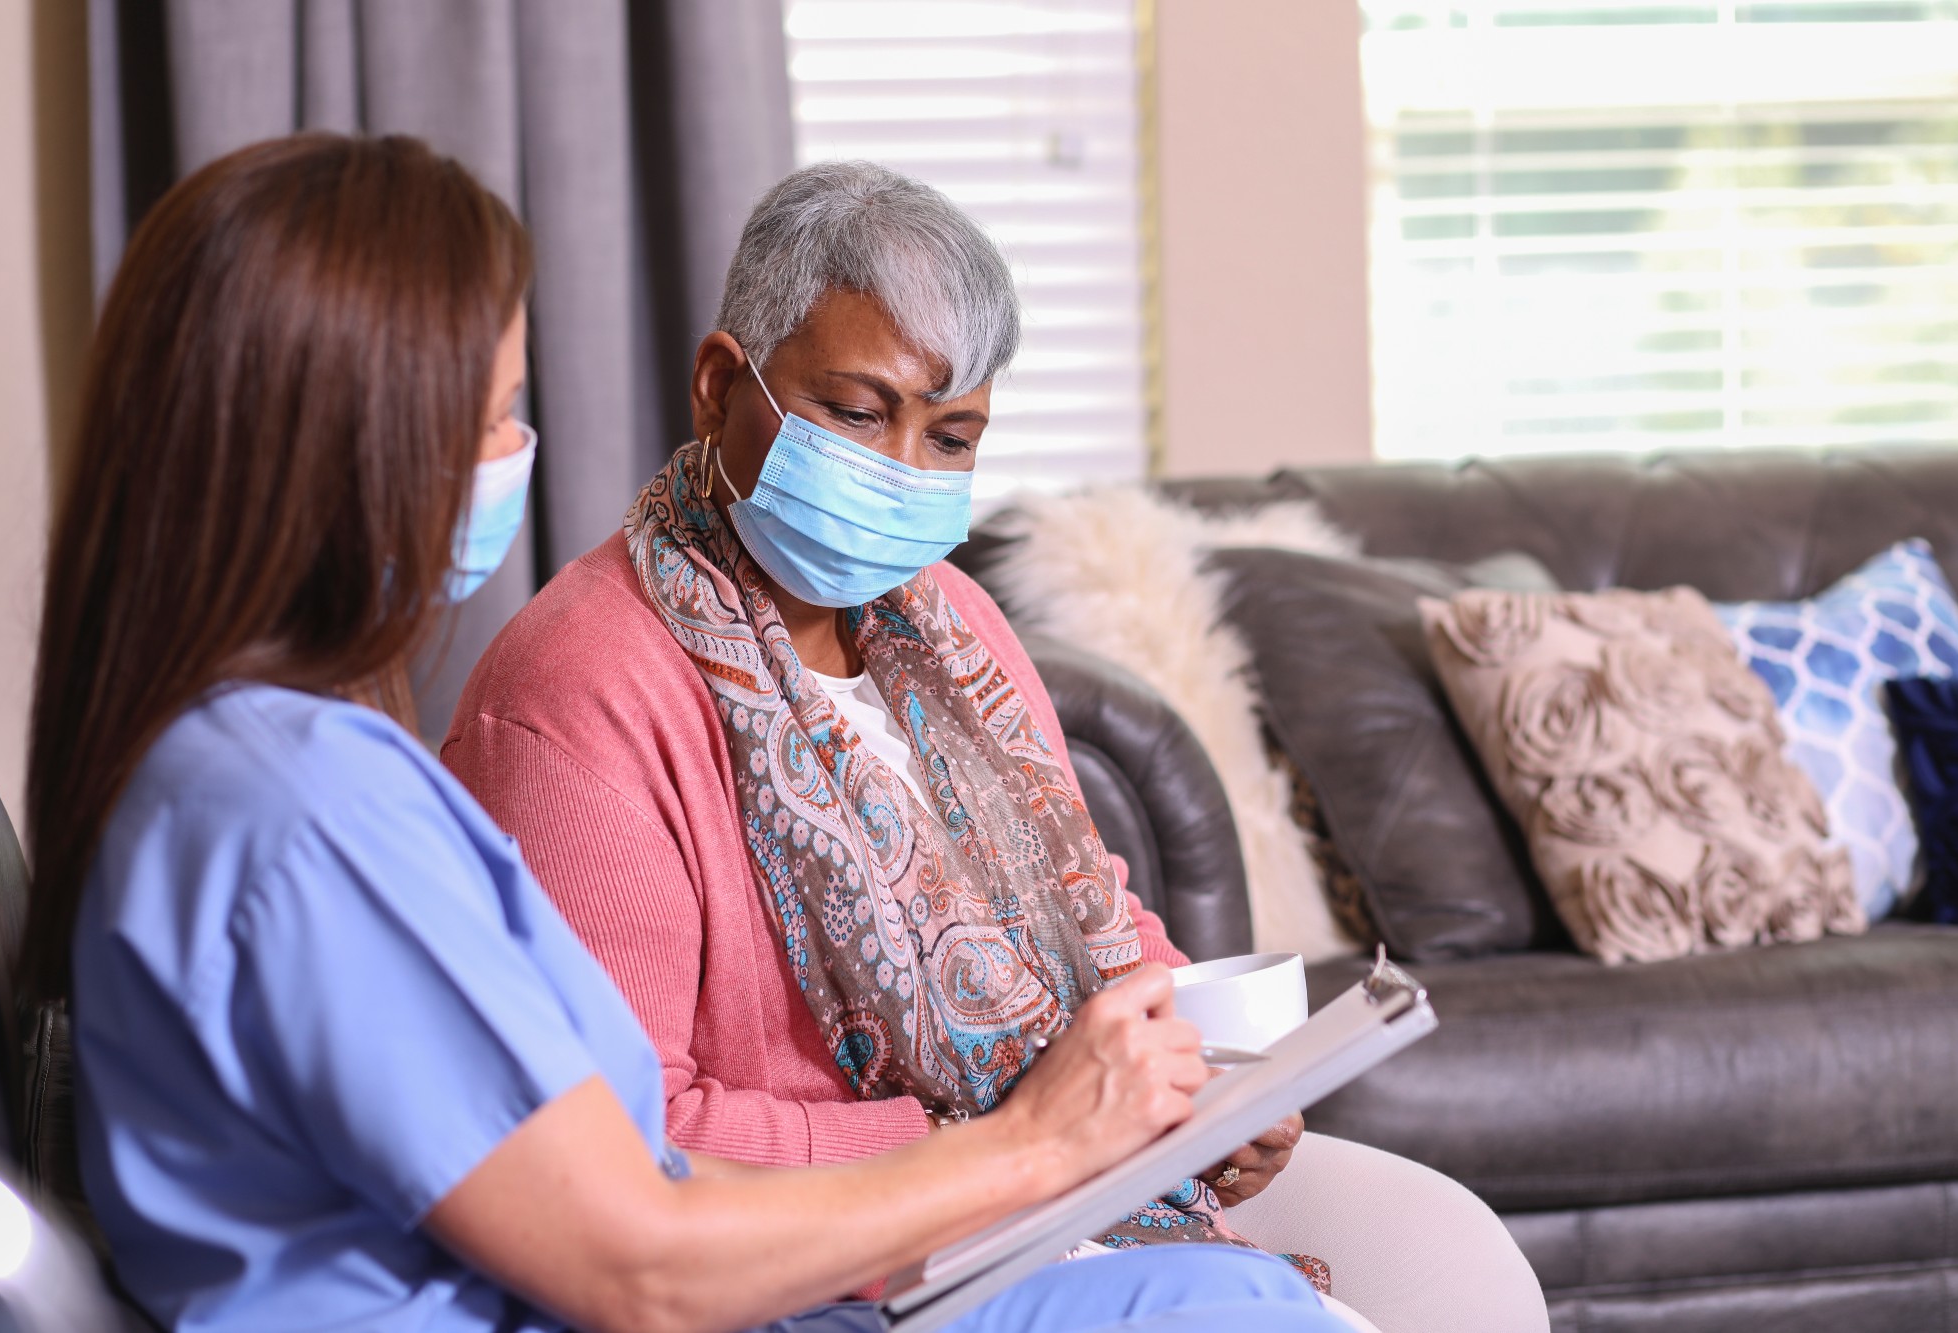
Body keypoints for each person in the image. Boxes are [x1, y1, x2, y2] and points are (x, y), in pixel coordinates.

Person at [16, 134, 1348, 1333]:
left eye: (951, 435)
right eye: (486, 415)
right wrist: (1034, 1143)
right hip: (776, 1278)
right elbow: (638, 1255)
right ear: (348, 444)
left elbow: (611, 1181)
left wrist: (1186, 1089)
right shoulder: (305, 810)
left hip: (847, 1261)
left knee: (1232, 1294)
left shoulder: (268, 771)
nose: (512, 453)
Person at [443, 163, 1546, 1333]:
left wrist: (1212, 1085)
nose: (899, 470)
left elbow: (1098, 914)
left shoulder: (949, 621)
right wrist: (987, 1146)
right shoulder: (579, 689)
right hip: (826, 1268)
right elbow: (616, 1148)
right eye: (857, 413)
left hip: (1067, 1194)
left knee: (1454, 1263)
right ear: (722, 388)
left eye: (950, 433)